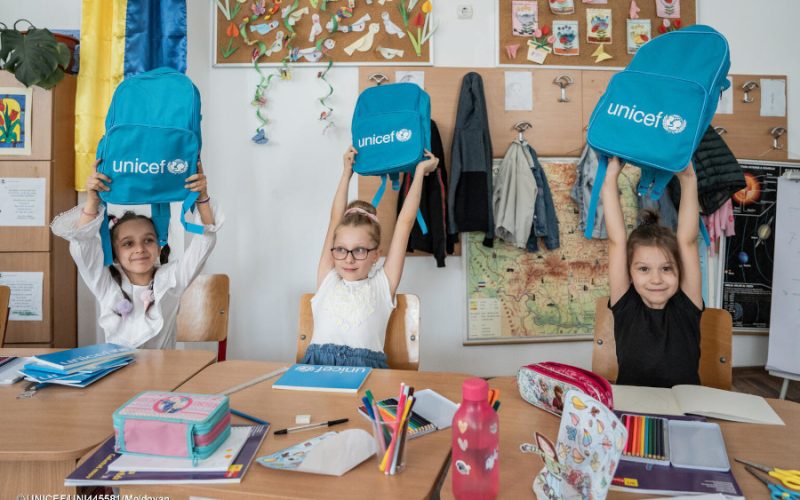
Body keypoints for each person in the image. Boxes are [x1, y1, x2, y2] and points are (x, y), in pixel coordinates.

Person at [51, 160, 223, 349]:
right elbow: (82, 244)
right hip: (119, 374)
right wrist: (92, 201)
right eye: (128, 243)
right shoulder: (106, 284)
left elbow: (204, 241)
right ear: (114, 253)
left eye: (148, 240)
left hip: (164, 373)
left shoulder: (172, 280)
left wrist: (202, 197)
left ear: (159, 247)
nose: (139, 249)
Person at [302, 146, 439, 368]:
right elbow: (335, 218)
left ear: (376, 254)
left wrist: (420, 172)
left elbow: (405, 223)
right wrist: (346, 173)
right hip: (318, 374)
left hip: (368, 376)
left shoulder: (383, 285)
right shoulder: (327, 278)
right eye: (341, 249)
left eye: (359, 250)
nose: (348, 259)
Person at [601, 157, 703, 387]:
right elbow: (617, 241)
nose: (656, 279)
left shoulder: (687, 304)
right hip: (633, 407)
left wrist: (688, 179)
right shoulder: (625, 303)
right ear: (629, 273)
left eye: (667, 268)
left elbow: (687, 241)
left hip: (685, 406)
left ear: (680, 271)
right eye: (644, 269)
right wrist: (610, 178)